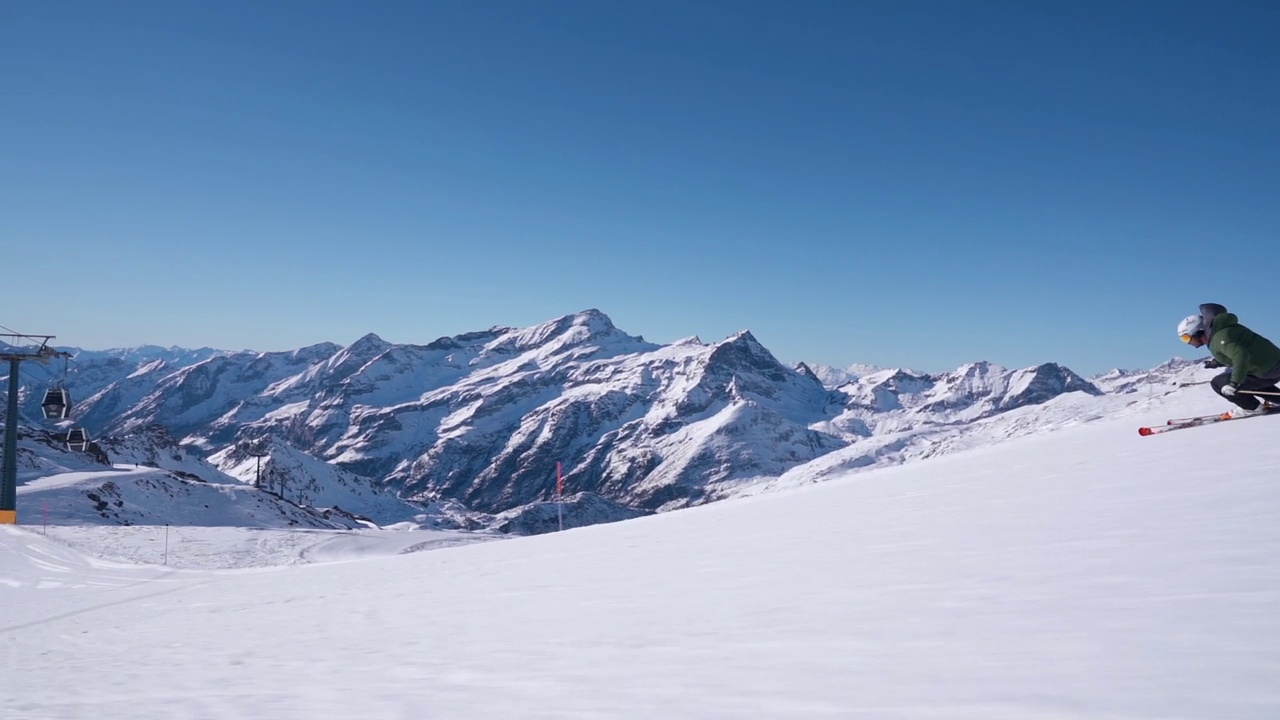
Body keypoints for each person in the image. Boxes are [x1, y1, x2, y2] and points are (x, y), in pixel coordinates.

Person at [1177, 303, 1280, 417]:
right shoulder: (1221, 333)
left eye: (1186, 337)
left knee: (1218, 383)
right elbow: (1236, 351)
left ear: (1197, 332)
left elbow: (1240, 354)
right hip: (1270, 366)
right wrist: (1215, 363)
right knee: (1250, 381)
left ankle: (1252, 408)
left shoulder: (1220, 338)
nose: (1187, 342)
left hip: (1267, 370)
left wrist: (1234, 383)